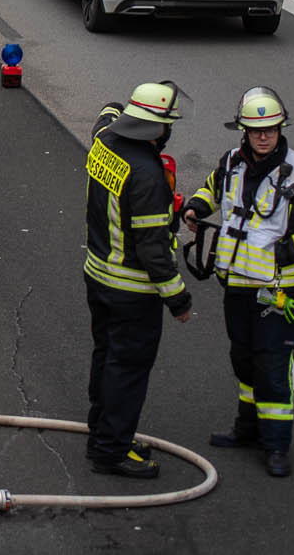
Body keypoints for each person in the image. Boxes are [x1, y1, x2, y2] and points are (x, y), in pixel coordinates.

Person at [182, 87, 294, 478]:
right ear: (244, 132)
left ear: (280, 128)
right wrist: (196, 207)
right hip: (236, 283)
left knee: (271, 367)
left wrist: (286, 252)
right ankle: (247, 430)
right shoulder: (232, 161)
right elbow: (212, 188)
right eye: (256, 130)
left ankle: (276, 446)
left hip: (278, 290)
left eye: (270, 129)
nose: (264, 136)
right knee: (243, 358)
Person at [84, 82, 195, 479]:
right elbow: (152, 250)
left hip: (97, 275)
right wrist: (178, 299)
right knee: (127, 368)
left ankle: (102, 431)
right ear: (159, 128)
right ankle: (111, 451)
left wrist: (120, 106)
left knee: (106, 356)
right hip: (131, 289)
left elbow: (105, 115)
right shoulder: (147, 175)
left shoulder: (103, 142)